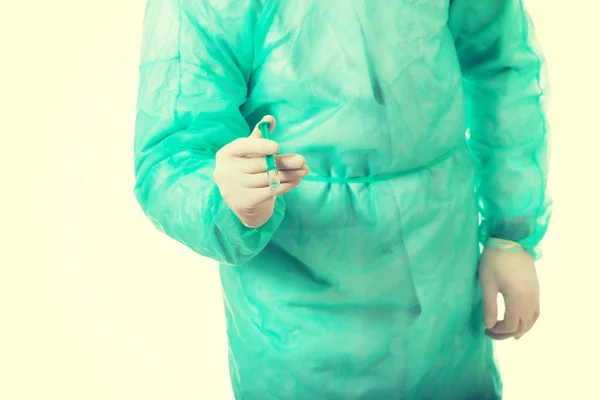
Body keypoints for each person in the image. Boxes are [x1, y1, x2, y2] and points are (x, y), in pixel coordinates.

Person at [133, 0, 551, 398]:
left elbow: (500, 65)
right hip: (297, 312)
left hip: (441, 278)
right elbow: (172, 149)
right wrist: (226, 199)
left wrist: (509, 232)